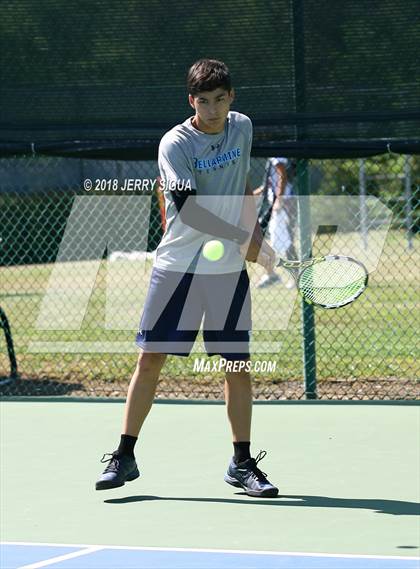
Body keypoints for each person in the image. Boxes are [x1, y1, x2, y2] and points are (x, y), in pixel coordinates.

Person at [95, 59, 279, 498]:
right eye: (203, 101)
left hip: (226, 273)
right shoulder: (175, 143)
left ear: (231, 97)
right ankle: (124, 455)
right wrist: (241, 236)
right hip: (177, 267)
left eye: (220, 100)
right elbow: (189, 208)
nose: (212, 110)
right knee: (150, 361)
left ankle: (241, 462)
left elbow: (240, 186)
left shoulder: (242, 128)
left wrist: (254, 236)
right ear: (191, 101)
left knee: (236, 366)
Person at [254, 157, 297, 289]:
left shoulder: (277, 154)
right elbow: (269, 183)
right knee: (273, 241)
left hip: (283, 204)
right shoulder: (270, 156)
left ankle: (296, 276)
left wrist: (279, 200)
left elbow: (282, 175)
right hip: (276, 204)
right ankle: (271, 274)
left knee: (284, 243)